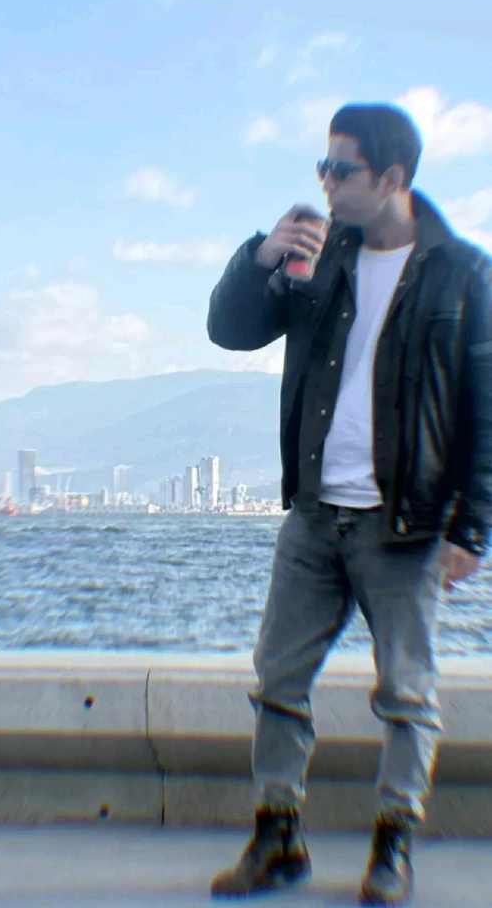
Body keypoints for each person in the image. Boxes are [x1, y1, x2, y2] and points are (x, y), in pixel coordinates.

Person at [206, 102, 492, 906]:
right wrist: (259, 258)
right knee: (276, 682)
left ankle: (392, 847)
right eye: (322, 167)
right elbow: (230, 331)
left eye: (342, 170)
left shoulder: (461, 272)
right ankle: (277, 840)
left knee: (405, 694)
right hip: (312, 515)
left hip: (403, 524)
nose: (326, 183)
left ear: (391, 177)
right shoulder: (318, 256)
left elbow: (484, 408)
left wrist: (471, 527)